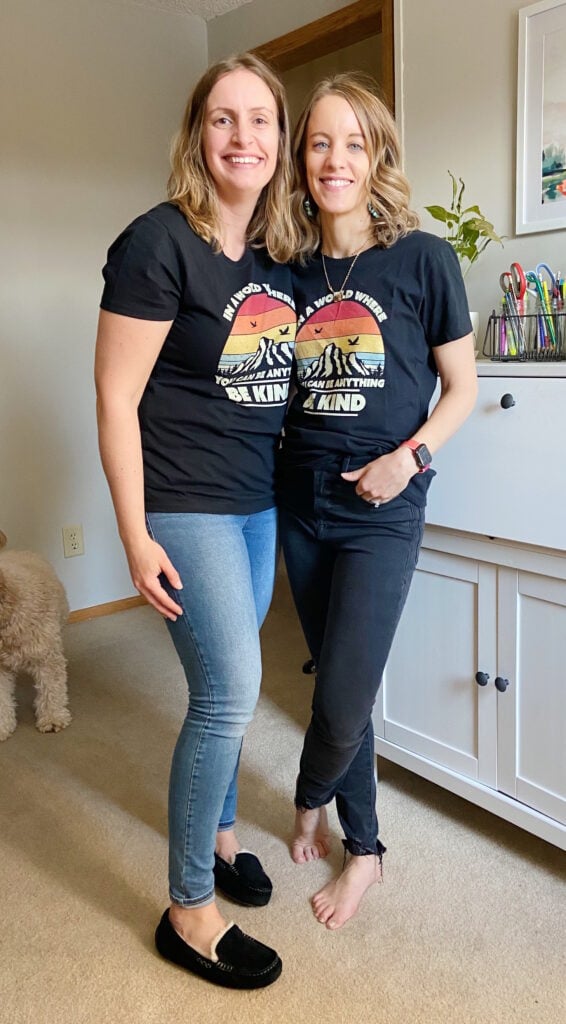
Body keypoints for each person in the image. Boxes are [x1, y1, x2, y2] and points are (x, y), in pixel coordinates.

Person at [94, 53, 298, 989]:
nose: (244, 137)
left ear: (279, 139)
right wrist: (136, 535)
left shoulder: (273, 254)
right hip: (184, 503)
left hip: (255, 501)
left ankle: (218, 835)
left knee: (230, 684)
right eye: (224, 119)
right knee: (229, 691)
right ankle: (188, 908)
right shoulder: (156, 243)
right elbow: (114, 395)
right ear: (198, 134)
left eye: (261, 119)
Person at [277, 73, 478, 932]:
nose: (336, 159)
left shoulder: (424, 257)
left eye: (353, 142)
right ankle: (366, 847)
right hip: (300, 499)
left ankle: (308, 797)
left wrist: (409, 459)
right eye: (320, 142)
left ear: (378, 156)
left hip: (383, 503)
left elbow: (462, 389)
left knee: (346, 696)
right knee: (329, 679)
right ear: (303, 158)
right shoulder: (285, 269)